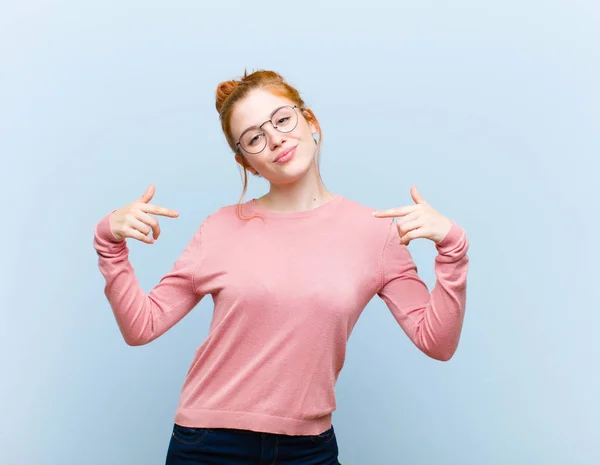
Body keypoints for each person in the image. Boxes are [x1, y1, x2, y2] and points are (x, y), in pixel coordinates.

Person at [93, 69, 470, 465]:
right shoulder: (220, 228)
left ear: (310, 123)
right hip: (208, 445)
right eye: (254, 138)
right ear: (247, 163)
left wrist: (452, 249)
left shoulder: (376, 234)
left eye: (282, 119)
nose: (275, 138)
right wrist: (109, 244)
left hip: (308, 449)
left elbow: (437, 343)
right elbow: (142, 326)